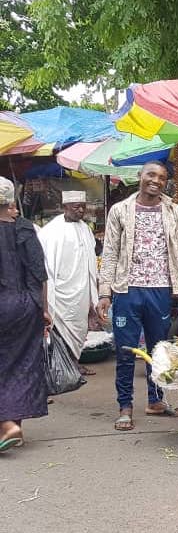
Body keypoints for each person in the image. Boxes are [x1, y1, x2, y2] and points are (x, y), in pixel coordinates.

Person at [96, 160, 178, 432]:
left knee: (158, 350)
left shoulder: (174, 211)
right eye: (151, 174)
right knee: (126, 351)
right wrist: (105, 293)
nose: (156, 180)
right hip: (126, 290)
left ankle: (156, 401)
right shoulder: (120, 210)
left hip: (160, 290)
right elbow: (111, 252)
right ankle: (125, 406)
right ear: (139, 176)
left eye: (162, 177)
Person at [0, 177, 51, 452]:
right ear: (10, 202)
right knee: (22, 363)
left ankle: (8, 424)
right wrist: (43, 309)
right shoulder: (24, 228)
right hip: (25, 306)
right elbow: (39, 274)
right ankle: (12, 426)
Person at [37, 190, 98, 376]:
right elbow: (45, 264)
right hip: (62, 290)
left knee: (79, 329)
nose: (80, 210)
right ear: (64, 207)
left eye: (83, 207)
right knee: (60, 330)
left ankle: (74, 363)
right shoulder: (52, 231)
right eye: (76, 207)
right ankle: (62, 369)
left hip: (82, 289)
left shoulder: (85, 228)